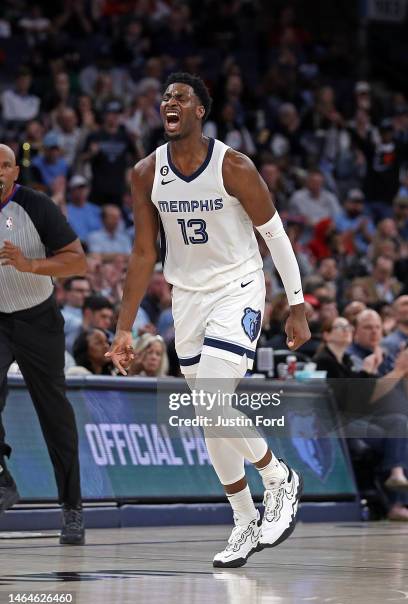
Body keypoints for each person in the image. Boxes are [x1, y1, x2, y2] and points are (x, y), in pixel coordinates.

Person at [106, 73, 310, 568]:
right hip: (188, 298)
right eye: (166, 97)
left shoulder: (234, 166)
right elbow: (141, 254)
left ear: (201, 111)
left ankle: (278, 476)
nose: (170, 102)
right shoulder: (145, 172)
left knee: (216, 402)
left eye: (182, 97)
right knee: (208, 417)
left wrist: (298, 303)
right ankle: (243, 519)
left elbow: (276, 236)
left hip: (237, 290)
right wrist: (123, 327)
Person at [0, 143, 86, 544]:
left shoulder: (36, 206)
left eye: (4, 165)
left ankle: (72, 509)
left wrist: (31, 265)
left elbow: (76, 261)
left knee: (55, 415)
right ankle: (2, 479)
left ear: (15, 172)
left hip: (37, 319)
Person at [313, 317, 408, 520]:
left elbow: (363, 400)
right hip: (337, 422)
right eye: (339, 327)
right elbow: (349, 403)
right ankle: (396, 502)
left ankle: (396, 475)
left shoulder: (347, 361)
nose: (346, 329)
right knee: (393, 438)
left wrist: (370, 372)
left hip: (357, 419)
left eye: (348, 326)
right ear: (327, 335)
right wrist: (367, 371)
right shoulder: (323, 361)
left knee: (399, 422)